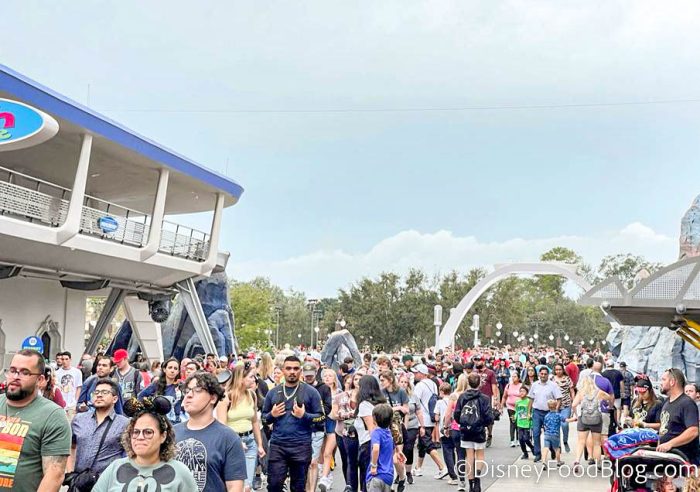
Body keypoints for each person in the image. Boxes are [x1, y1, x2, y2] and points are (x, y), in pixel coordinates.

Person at [0, 349, 72, 491]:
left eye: (25, 373)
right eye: (12, 371)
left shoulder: (53, 416)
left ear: (40, 380)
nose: (15, 377)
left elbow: (54, 474)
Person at [92, 396, 197, 491]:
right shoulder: (115, 468)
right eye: (136, 432)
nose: (140, 437)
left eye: (148, 432)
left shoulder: (180, 472)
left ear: (163, 436)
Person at [176, 371, 247, 492]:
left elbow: (235, 487)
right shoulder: (171, 433)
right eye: (187, 391)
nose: (189, 395)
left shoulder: (228, 438)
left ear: (213, 398)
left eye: (197, 390)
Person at [262, 356, 324, 492]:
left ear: (300, 371)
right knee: (274, 485)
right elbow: (264, 419)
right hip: (278, 446)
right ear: (283, 370)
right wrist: (272, 415)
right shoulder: (273, 392)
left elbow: (321, 417)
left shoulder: (311, 392)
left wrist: (304, 415)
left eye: (296, 368)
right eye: (289, 368)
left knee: (298, 487)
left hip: (301, 446)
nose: (292, 372)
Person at [67, 378, 129, 489]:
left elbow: (130, 455)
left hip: (108, 484)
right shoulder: (79, 419)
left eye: (105, 392)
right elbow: (71, 446)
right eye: (96, 392)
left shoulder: (124, 424)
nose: (99, 395)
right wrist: (71, 473)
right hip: (79, 483)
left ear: (115, 399)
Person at [216, 362, 265, 491]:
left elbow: (254, 421)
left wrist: (259, 444)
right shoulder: (226, 397)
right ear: (241, 378)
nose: (254, 379)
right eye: (251, 376)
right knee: (235, 485)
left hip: (250, 441)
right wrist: (236, 442)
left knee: (247, 485)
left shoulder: (252, 395)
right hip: (232, 443)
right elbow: (222, 426)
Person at [453, 373, 493, 492]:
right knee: (479, 454)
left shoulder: (462, 396)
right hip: (479, 429)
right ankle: (477, 478)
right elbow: (488, 416)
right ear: (479, 383)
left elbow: (457, 413)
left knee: (469, 456)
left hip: (466, 429)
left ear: (468, 383)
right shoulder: (484, 398)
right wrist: (485, 424)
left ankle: (470, 483)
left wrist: (462, 423)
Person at [412, 364, 448, 479]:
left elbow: (415, 402)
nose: (414, 374)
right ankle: (418, 468)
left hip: (423, 419)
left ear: (422, 374)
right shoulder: (433, 383)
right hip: (430, 417)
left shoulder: (419, 386)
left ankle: (442, 467)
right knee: (422, 445)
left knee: (427, 444)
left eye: (416, 372)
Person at [657, 368, 699, 464]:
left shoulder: (687, 403)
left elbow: (693, 431)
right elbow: (664, 429)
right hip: (667, 458)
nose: (661, 383)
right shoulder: (666, 403)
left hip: (683, 460)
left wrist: (670, 444)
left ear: (672, 382)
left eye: (664, 380)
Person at [355, 375, 388, 492]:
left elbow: (372, 429)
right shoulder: (382, 403)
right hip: (384, 441)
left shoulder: (364, 405)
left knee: (367, 479)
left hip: (369, 443)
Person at [570, 375, 609, 469]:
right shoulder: (599, 392)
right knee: (597, 443)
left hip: (583, 419)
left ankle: (577, 461)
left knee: (581, 441)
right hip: (596, 419)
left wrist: (577, 414)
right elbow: (608, 397)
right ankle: (598, 463)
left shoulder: (581, 393)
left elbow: (574, 405)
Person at [379, 370, 408, 492]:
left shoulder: (400, 391)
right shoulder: (381, 393)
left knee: (397, 458)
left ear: (390, 380)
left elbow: (406, 409)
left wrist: (396, 409)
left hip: (397, 427)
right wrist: (396, 407)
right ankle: (390, 485)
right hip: (385, 427)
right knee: (389, 457)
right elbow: (379, 410)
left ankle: (402, 477)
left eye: (383, 380)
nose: (381, 382)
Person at [527, 366, 562, 462]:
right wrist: (528, 412)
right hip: (537, 412)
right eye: (541, 374)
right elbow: (531, 399)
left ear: (548, 375)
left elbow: (559, 398)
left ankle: (553, 449)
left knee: (551, 433)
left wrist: (555, 411)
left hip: (549, 413)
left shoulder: (553, 385)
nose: (543, 376)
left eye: (545, 374)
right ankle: (538, 454)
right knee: (536, 433)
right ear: (539, 374)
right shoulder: (534, 385)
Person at [367, 403, 402, 492]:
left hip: (377, 474)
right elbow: (392, 452)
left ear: (374, 418)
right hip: (388, 475)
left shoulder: (376, 432)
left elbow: (376, 449)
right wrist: (399, 451)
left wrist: (374, 465)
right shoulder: (389, 433)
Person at [139, 357, 184, 425]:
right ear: (164, 369)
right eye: (170, 367)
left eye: (175, 368)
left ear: (178, 372)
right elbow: (141, 396)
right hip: (159, 422)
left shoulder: (181, 385)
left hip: (176, 422)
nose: (172, 370)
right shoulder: (156, 384)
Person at [319, 368, 340, 492]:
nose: (327, 377)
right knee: (321, 453)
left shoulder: (339, 393)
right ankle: (325, 475)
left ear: (334, 379)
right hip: (321, 423)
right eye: (325, 376)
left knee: (328, 452)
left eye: (330, 375)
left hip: (333, 424)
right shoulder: (319, 391)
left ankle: (325, 477)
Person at [472, 355, 500, 448]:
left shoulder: (490, 372)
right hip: (476, 398)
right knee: (477, 417)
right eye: (476, 360)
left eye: (479, 360)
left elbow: (494, 386)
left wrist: (495, 399)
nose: (477, 362)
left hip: (487, 398)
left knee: (489, 418)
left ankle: (490, 435)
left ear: (483, 362)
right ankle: (480, 434)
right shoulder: (474, 372)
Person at [436, 383, 459, 485]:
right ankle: (456, 470)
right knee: (454, 450)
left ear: (441, 392)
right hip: (454, 428)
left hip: (444, 429)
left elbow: (436, 417)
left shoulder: (439, 402)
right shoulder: (454, 399)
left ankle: (452, 475)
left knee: (447, 452)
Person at [552, 362, 575, 453]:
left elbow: (572, 391)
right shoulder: (552, 379)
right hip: (555, 406)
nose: (558, 371)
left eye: (560, 369)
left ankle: (565, 440)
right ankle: (558, 445)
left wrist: (573, 403)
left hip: (566, 404)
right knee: (556, 426)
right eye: (556, 370)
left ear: (563, 370)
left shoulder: (567, 379)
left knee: (564, 424)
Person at [56, 351, 83, 420]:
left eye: (66, 359)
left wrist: (75, 401)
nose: (64, 361)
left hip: (72, 403)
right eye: (62, 359)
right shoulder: (57, 373)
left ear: (70, 359)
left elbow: (78, 387)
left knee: (71, 421)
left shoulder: (77, 372)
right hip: (61, 403)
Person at [500, 372, 523, 448]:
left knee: (519, 423)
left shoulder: (521, 386)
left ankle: (518, 439)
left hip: (520, 407)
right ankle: (512, 440)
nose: (513, 378)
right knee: (513, 422)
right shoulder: (508, 385)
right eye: (512, 376)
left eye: (515, 376)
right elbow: (504, 396)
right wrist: (501, 406)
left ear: (518, 378)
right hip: (510, 407)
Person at [515, 386, 535, 459]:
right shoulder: (517, 401)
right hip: (519, 423)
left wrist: (531, 416)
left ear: (527, 393)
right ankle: (525, 453)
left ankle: (532, 447)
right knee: (520, 439)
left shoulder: (529, 401)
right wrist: (514, 417)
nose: (521, 393)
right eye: (520, 391)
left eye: (523, 391)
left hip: (527, 423)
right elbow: (516, 411)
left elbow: (532, 411)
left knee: (526, 439)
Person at [541, 399, 563, 466]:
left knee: (546, 448)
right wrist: (574, 419)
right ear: (556, 406)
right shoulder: (558, 415)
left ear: (548, 407)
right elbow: (565, 420)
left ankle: (544, 462)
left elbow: (544, 425)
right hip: (555, 434)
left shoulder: (546, 416)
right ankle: (558, 462)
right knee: (557, 449)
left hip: (547, 434)